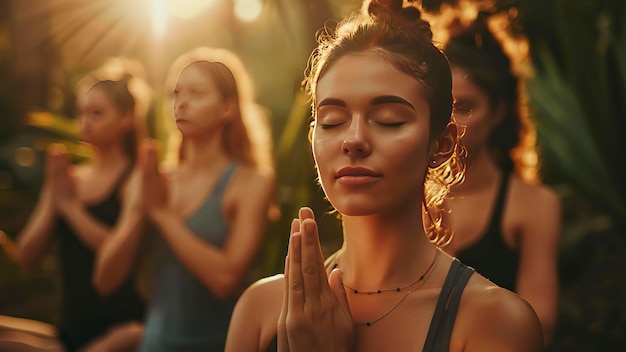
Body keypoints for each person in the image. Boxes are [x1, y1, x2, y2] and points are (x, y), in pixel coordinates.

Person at [225, 1, 544, 351]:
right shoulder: (260, 309)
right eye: (332, 121)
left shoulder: (496, 322)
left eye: (389, 119)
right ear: (313, 135)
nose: (354, 140)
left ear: (442, 144)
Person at [93, 47, 276, 351]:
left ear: (227, 108)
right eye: (175, 93)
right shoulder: (154, 181)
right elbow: (105, 280)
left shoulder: (251, 182)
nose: (181, 103)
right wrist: (140, 210)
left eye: (197, 93)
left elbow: (226, 280)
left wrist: (162, 215)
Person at [8, 59, 151, 352]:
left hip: (121, 329)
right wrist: (54, 199)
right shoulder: (68, 180)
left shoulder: (135, 180)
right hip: (69, 330)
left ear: (126, 119)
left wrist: (70, 208)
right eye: (81, 112)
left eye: (97, 113)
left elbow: (123, 254)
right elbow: (25, 257)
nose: (85, 121)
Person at [439, 13, 561, 344]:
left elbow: (541, 325)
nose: (450, 122)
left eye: (464, 106)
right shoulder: (407, 196)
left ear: (498, 112)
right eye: (442, 105)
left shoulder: (534, 205)